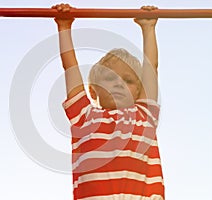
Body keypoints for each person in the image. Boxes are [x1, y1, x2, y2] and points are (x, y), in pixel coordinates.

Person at [53, 3, 164, 200]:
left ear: (139, 90)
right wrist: (64, 27)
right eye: (110, 78)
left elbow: (151, 67)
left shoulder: (144, 114)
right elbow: (70, 66)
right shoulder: (84, 117)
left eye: (128, 80)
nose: (119, 84)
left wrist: (148, 28)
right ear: (93, 91)